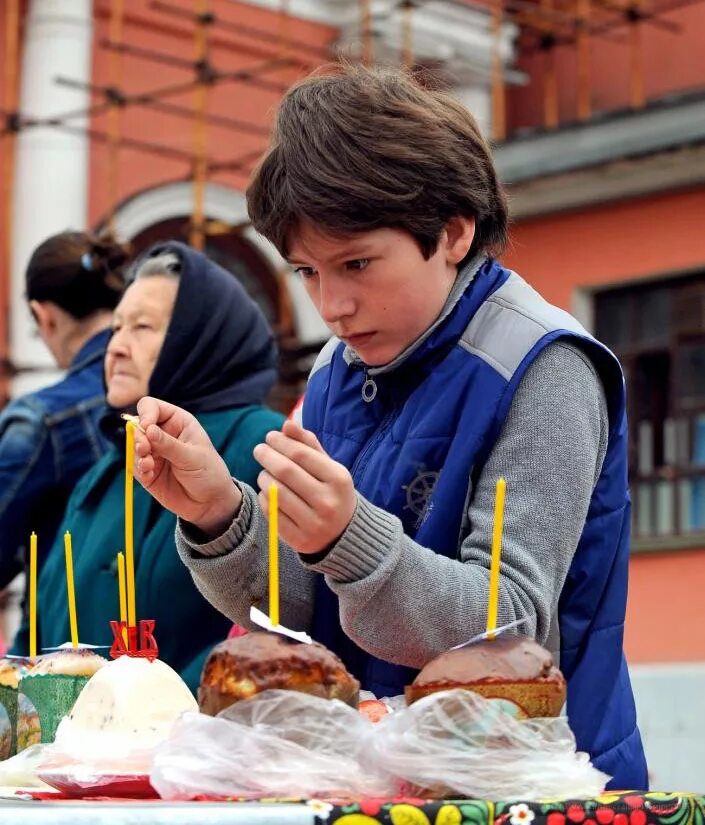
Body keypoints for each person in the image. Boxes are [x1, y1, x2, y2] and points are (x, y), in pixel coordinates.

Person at [131, 66, 647, 787]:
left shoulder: (543, 366)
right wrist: (222, 514)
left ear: (454, 232)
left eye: (357, 263)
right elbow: (308, 612)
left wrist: (349, 538)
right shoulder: (334, 373)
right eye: (307, 271)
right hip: (372, 781)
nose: (331, 305)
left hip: (523, 791)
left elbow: (509, 632)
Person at [14, 242, 283, 690]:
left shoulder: (260, 445)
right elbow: (40, 624)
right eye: (117, 327)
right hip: (69, 751)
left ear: (198, 338)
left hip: (188, 748)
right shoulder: (102, 474)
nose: (116, 347)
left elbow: (274, 614)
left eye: (142, 327)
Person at [0, 231, 128, 590]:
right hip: (158, 637)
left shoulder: (40, 420)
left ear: (45, 316)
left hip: (66, 637)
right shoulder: (176, 389)